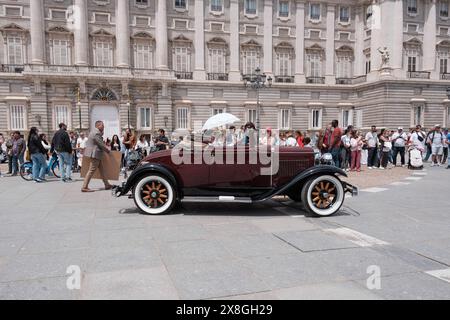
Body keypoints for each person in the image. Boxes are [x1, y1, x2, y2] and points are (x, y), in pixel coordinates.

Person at [81, 121, 113, 193]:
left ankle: (107, 185)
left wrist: (102, 133)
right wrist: (108, 151)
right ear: (98, 126)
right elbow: (101, 144)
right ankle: (84, 186)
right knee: (91, 170)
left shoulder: (94, 132)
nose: (104, 127)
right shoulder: (96, 133)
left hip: (96, 154)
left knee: (102, 170)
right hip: (95, 154)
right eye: (102, 125)